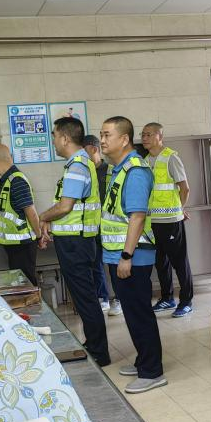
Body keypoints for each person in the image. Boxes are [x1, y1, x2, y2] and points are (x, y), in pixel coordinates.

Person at [100, 116, 165, 394]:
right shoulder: (119, 169)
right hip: (120, 255)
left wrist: (126, 256)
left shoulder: (135, 171)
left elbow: (137, 217)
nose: (102, 140)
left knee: (139, 313)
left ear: (124, 139)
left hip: (132, 257)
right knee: (132, 312)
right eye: (101, 135)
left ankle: (152, 372)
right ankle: (143, 361)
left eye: (107, 135)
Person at [38, 117, 110, 367]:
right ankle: (94, 344)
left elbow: (65, 206)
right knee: (83, 297)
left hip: (76, 242)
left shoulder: (77, 166)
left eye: (55, 136)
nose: (54, 142)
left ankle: (99, 351)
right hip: (77, 240)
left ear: (65, 138)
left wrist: (43, 217)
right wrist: (50, 220)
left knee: (85, 298)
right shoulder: (78, 164)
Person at [142, 122, 194, 317]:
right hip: (152, 222)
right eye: (143, 135)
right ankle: (167, 298)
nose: (144, 138)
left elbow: (185, 188)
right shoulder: (145, 161)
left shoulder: (171, 158)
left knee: (179, 262)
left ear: (159, 136)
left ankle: (186, 301)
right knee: (160, 262)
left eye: (148, 134)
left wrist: (180, 209)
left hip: (171, 221)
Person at [0, 142, 40, 285]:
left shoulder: (16, 180)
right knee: (19, 284)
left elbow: (31, 212)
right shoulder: (8, 180)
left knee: (26, 284)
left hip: (23, 245)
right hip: (16, 245)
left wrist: (39, 236)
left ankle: (33, 300)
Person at [83, 134, 121, 316]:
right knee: (95, 264)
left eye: (84, 152)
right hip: (93, 227)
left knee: (114, 265)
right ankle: (102, 298)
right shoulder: (84, 172)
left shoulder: (111, 171)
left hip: (111, 228)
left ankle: (119, 299)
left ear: (94, 149)